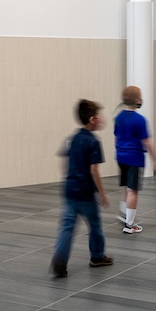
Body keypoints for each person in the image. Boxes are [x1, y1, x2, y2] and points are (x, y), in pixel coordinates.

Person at [50, 99, 113, 277]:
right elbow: (94, 171)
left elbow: (66, 161)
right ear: (93, 119)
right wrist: (102, 193)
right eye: (99, 116)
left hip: (70, 190)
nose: (102, 119)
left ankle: (60, 262)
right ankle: (97, 256)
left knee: (67, 228)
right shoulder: (93, 142)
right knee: (95, 226)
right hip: (85, 193)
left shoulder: (73, 139)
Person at [113, 85, 156, 235]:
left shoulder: (119, 117)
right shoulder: (140, 120)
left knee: (126, 186)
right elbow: (146, 141)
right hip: (134, 158)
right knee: (133, 190)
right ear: (137, 100)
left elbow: (116, 137)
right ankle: (129, 224)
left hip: (121, 156)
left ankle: (124, 213)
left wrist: (120, 150)